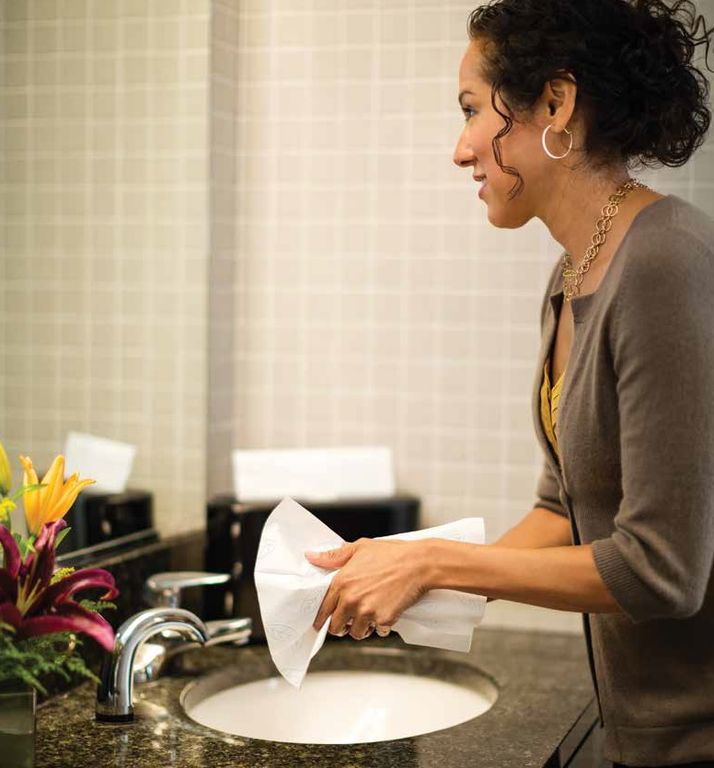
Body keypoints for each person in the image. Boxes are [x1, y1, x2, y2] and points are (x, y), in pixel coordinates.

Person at [305, 1, 714, 765]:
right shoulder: (571, 277)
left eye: (471, 110)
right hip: (639, 736)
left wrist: (435, 563)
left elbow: (663, 571)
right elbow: (563, 510)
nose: (461, 149)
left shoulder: (666, 261)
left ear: (556, 105)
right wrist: (406, 572)